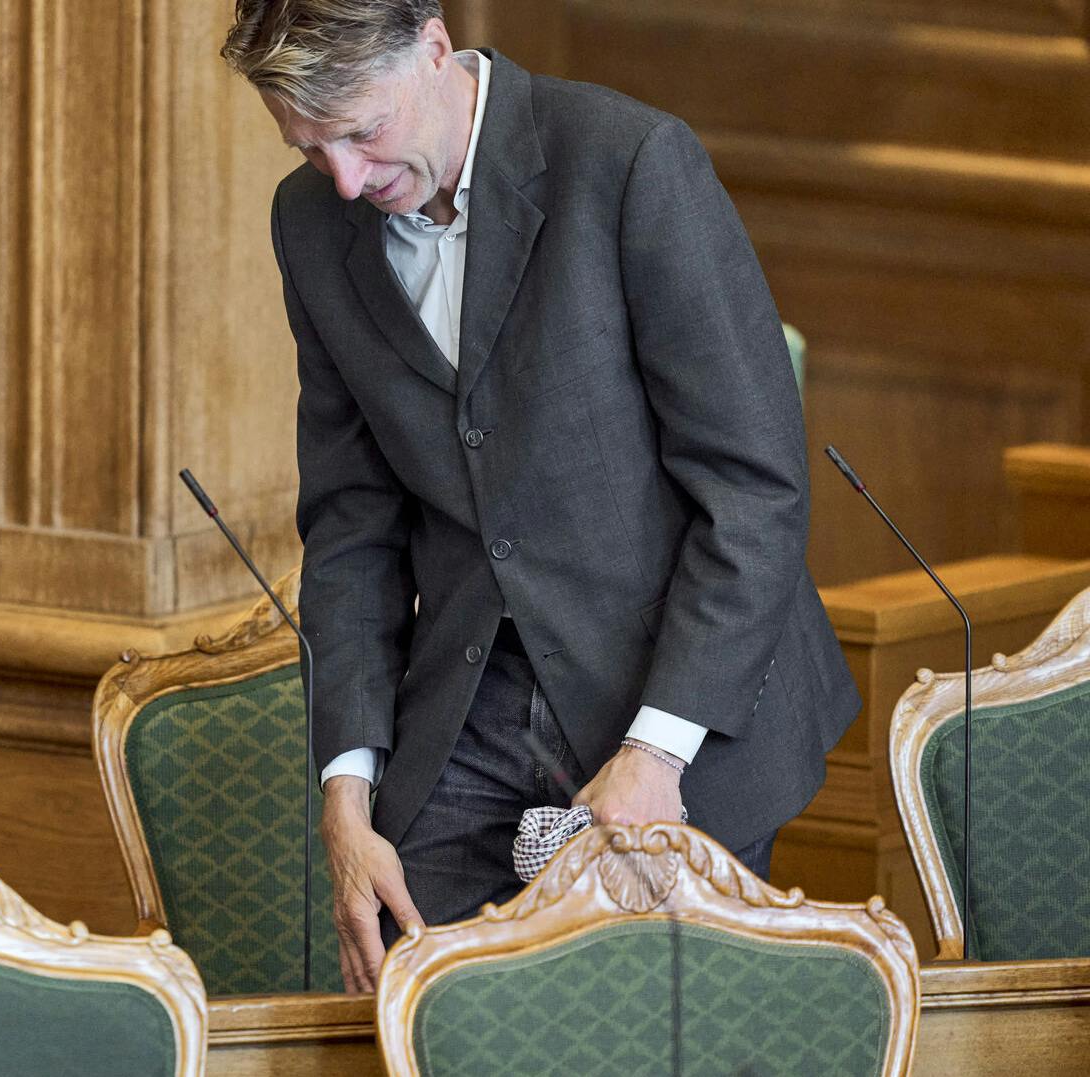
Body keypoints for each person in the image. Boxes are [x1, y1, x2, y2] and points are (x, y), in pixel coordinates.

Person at [221, 2, 859, 992]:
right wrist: (346, 795)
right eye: (308, 148)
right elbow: (352, 522)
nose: (344, 178)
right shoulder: (309, 224)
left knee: (657, 1036)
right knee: (412, 1009)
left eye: (361, 133)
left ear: (434, 48)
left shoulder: (628, 161)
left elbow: (754, 490)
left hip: (680, 692)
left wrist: (656, 752)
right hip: (467, 705)